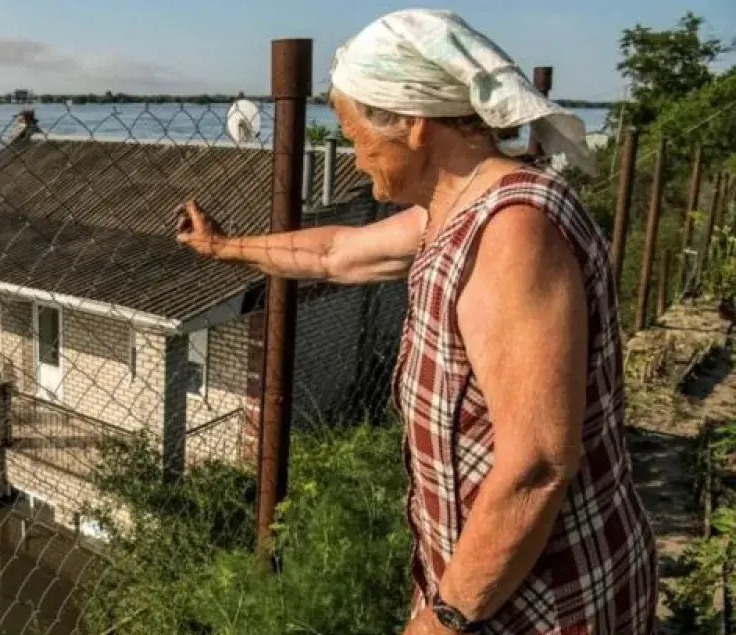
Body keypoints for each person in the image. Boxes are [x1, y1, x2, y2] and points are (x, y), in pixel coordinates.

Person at [176, 9, 657, 635]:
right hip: (502, 585)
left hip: (551, 601)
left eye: (354, 135)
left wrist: (445, 617)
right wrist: (225, 247)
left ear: (413, 124)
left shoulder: (510, 232)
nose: (352, 158)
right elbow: (334, 254)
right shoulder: (458, 210)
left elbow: (537, 464)